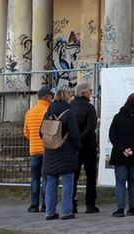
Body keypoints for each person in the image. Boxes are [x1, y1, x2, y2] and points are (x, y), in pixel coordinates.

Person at [107, 92, 134, 218]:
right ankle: (132, 208)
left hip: (120, 154)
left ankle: (120, 209)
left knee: (120, 182)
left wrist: (123, 149)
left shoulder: (119, 116)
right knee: (133, 181)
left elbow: (112, 135)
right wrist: (133, 149)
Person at [41, 87, 80, 220]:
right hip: (66, 150)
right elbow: (74, 134)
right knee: (68, 181)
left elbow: (42, 132)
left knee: (51, 181)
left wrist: (49, 142)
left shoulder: (48, 112)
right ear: (67, 97)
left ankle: (49, 212)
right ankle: (66, 211)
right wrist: (77, 147)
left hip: (50, 151)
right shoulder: (69, 113)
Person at [22, 86, 52, 213]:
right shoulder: (48, 111)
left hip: (34, 150)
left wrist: (34, 139)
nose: (52, 99)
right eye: (51, 96)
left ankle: (34, 204)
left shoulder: (30, 112)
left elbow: (26, 132)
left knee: (35, 178)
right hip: (46, 149)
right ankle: (45, 204)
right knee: (46, 178)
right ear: (46, 97)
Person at [71, 82, 100, 213]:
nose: (91, 93)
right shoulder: (89, 108)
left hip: (74, 146)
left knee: (73, 176)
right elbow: (91, 127)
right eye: (90, 90)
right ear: (83, 93)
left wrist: (76, 140)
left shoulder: (70, 106)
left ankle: (72, 203)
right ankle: (90, 204)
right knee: (90, 175)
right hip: (88, 146)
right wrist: (82, 138)